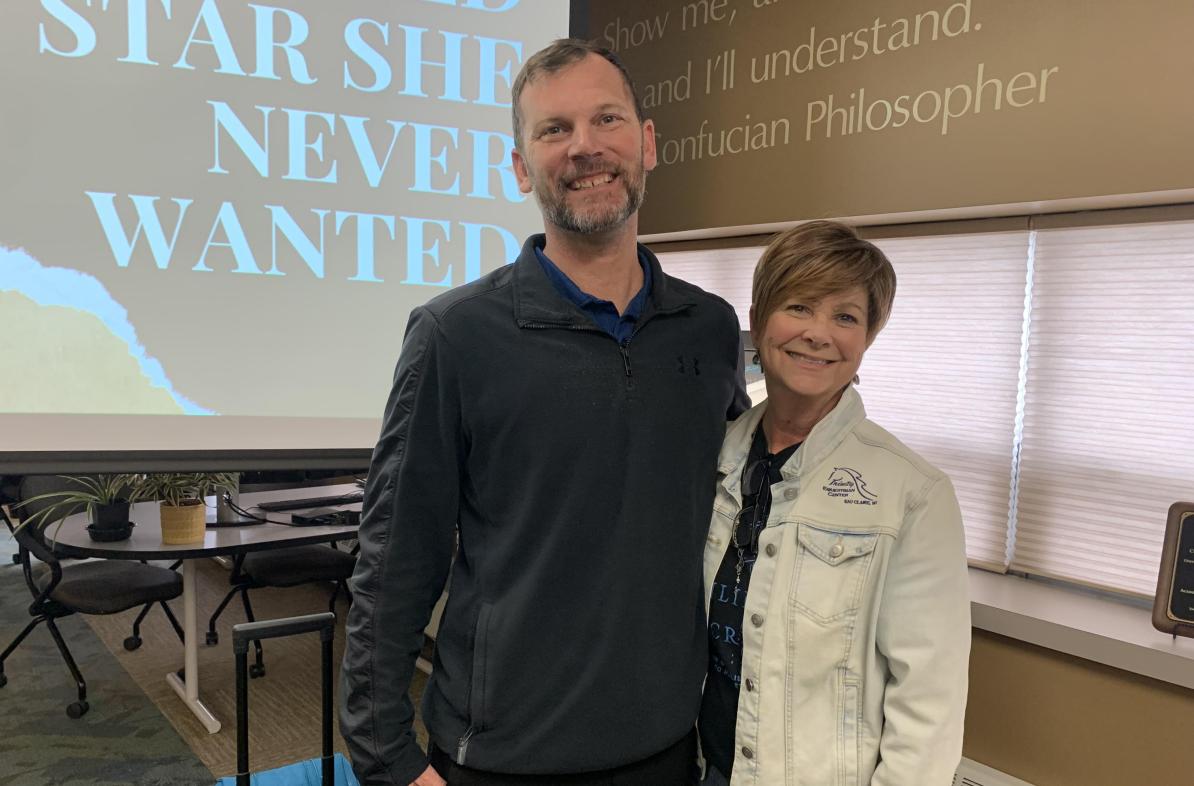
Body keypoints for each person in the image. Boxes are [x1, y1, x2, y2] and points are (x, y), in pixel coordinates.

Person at [341, 39, 750, 786]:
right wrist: (387, 759)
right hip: (499, 758)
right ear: (522, 165)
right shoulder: (455, 336)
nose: (586, 147)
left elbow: (738, 513)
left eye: (607, 120)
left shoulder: (711, 329)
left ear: (648, 142)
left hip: (664, 747)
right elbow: (394, 562)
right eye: (554, 130)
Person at [697, 221, 970, 785]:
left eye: (845, 316)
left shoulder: (910, 494)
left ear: (867, 338)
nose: (818, 333)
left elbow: (928, 704)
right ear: (758, 320)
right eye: (798, 306)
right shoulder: (710, 460)